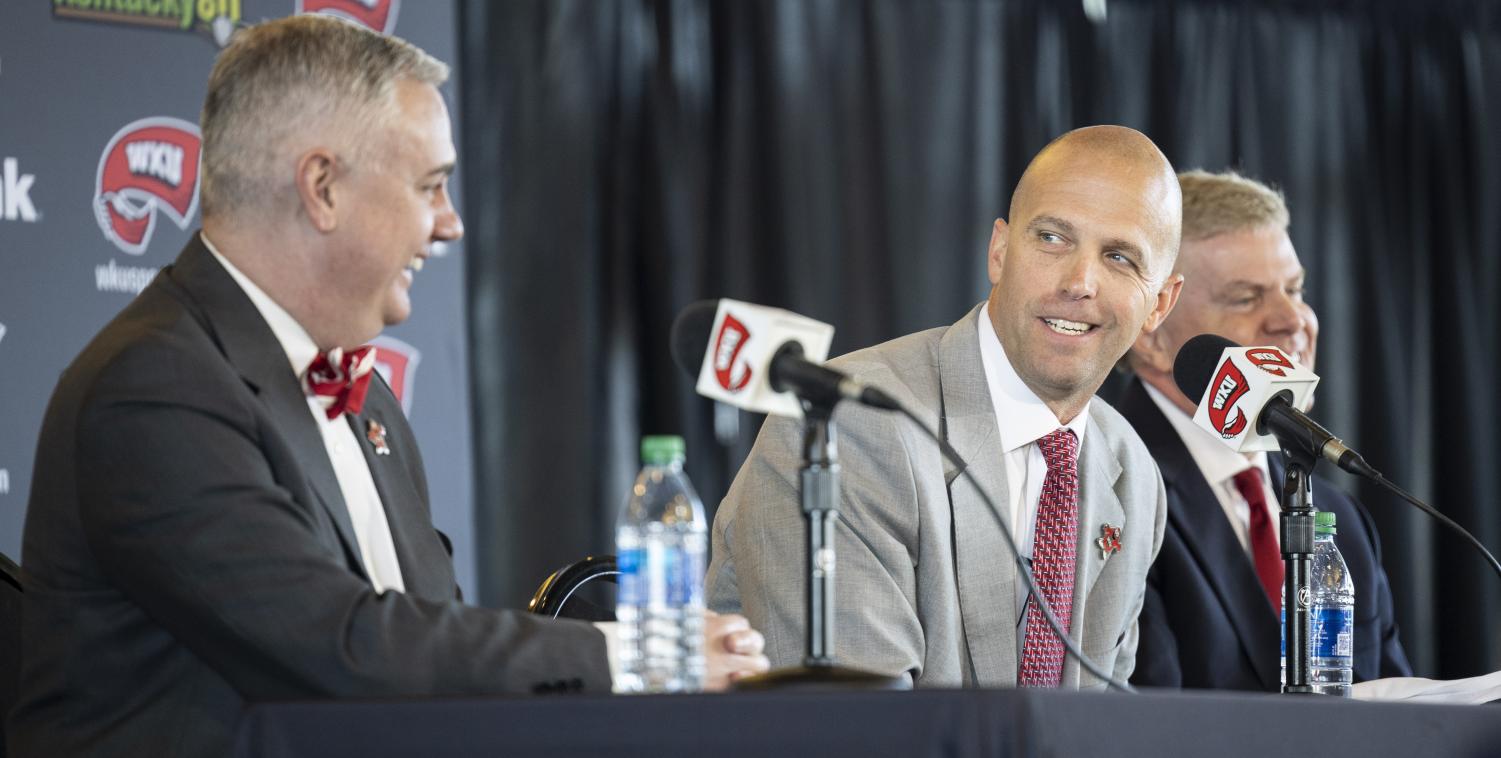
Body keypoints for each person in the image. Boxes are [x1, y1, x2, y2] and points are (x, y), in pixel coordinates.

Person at [7, 16, 765, 757]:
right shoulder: (154, 387)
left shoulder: (363, 397)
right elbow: (343, 646)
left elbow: (428, 637)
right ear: (323, 187)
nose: (451, 224)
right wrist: (637, 655)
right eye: (431, 186)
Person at [706, 126, 1184, 689]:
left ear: (1160, 303)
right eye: (1053, 238)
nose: (1080, 281)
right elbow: (858, 732)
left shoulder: (1133, 473)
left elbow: (1103, 726)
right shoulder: (847, 425)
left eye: (1120, 257)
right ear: (1000, 252)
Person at [1118, 169, 1410, 691]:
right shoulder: (1110, 489)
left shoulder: (1340, 516)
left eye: (1295, 289)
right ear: (1152, 334)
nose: (1292, 318)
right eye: (1246, 298)